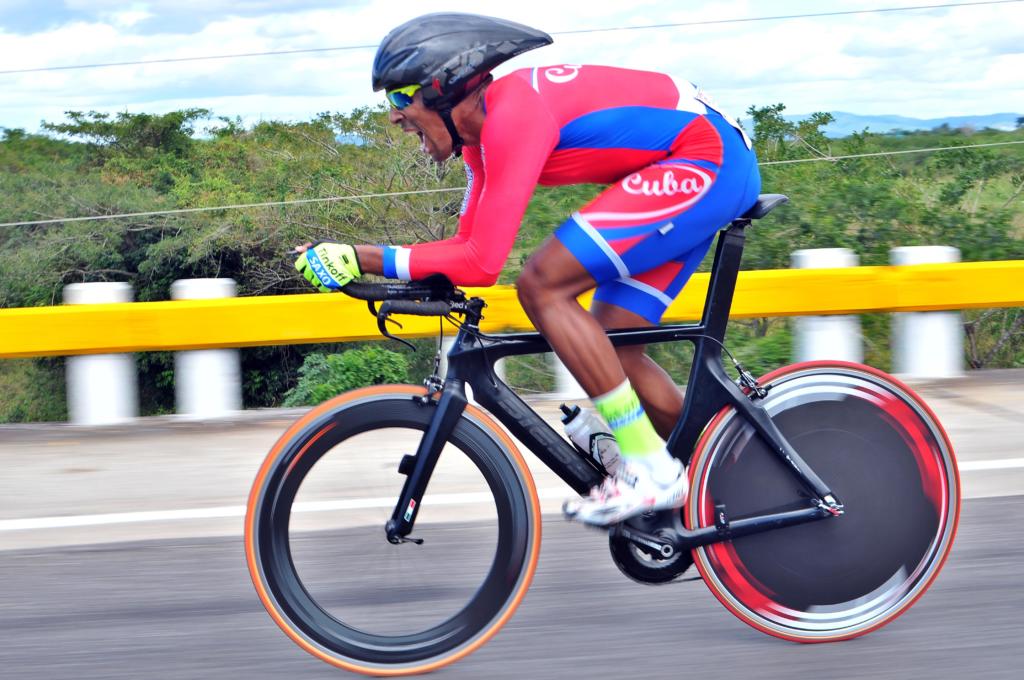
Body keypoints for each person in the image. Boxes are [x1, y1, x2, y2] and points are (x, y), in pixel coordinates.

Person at [294, 12, 761, 526]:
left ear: (443, 89)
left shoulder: (512, 115)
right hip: (698, 162)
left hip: (706, 159)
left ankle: (651, 468)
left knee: (541, 286)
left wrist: (363, 255)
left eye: (402, 98)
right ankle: (739, 475)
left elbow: (483, 262)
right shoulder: (478, 148)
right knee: (611, 349)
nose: (394, 116)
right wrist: (380, 269)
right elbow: (465, 250)